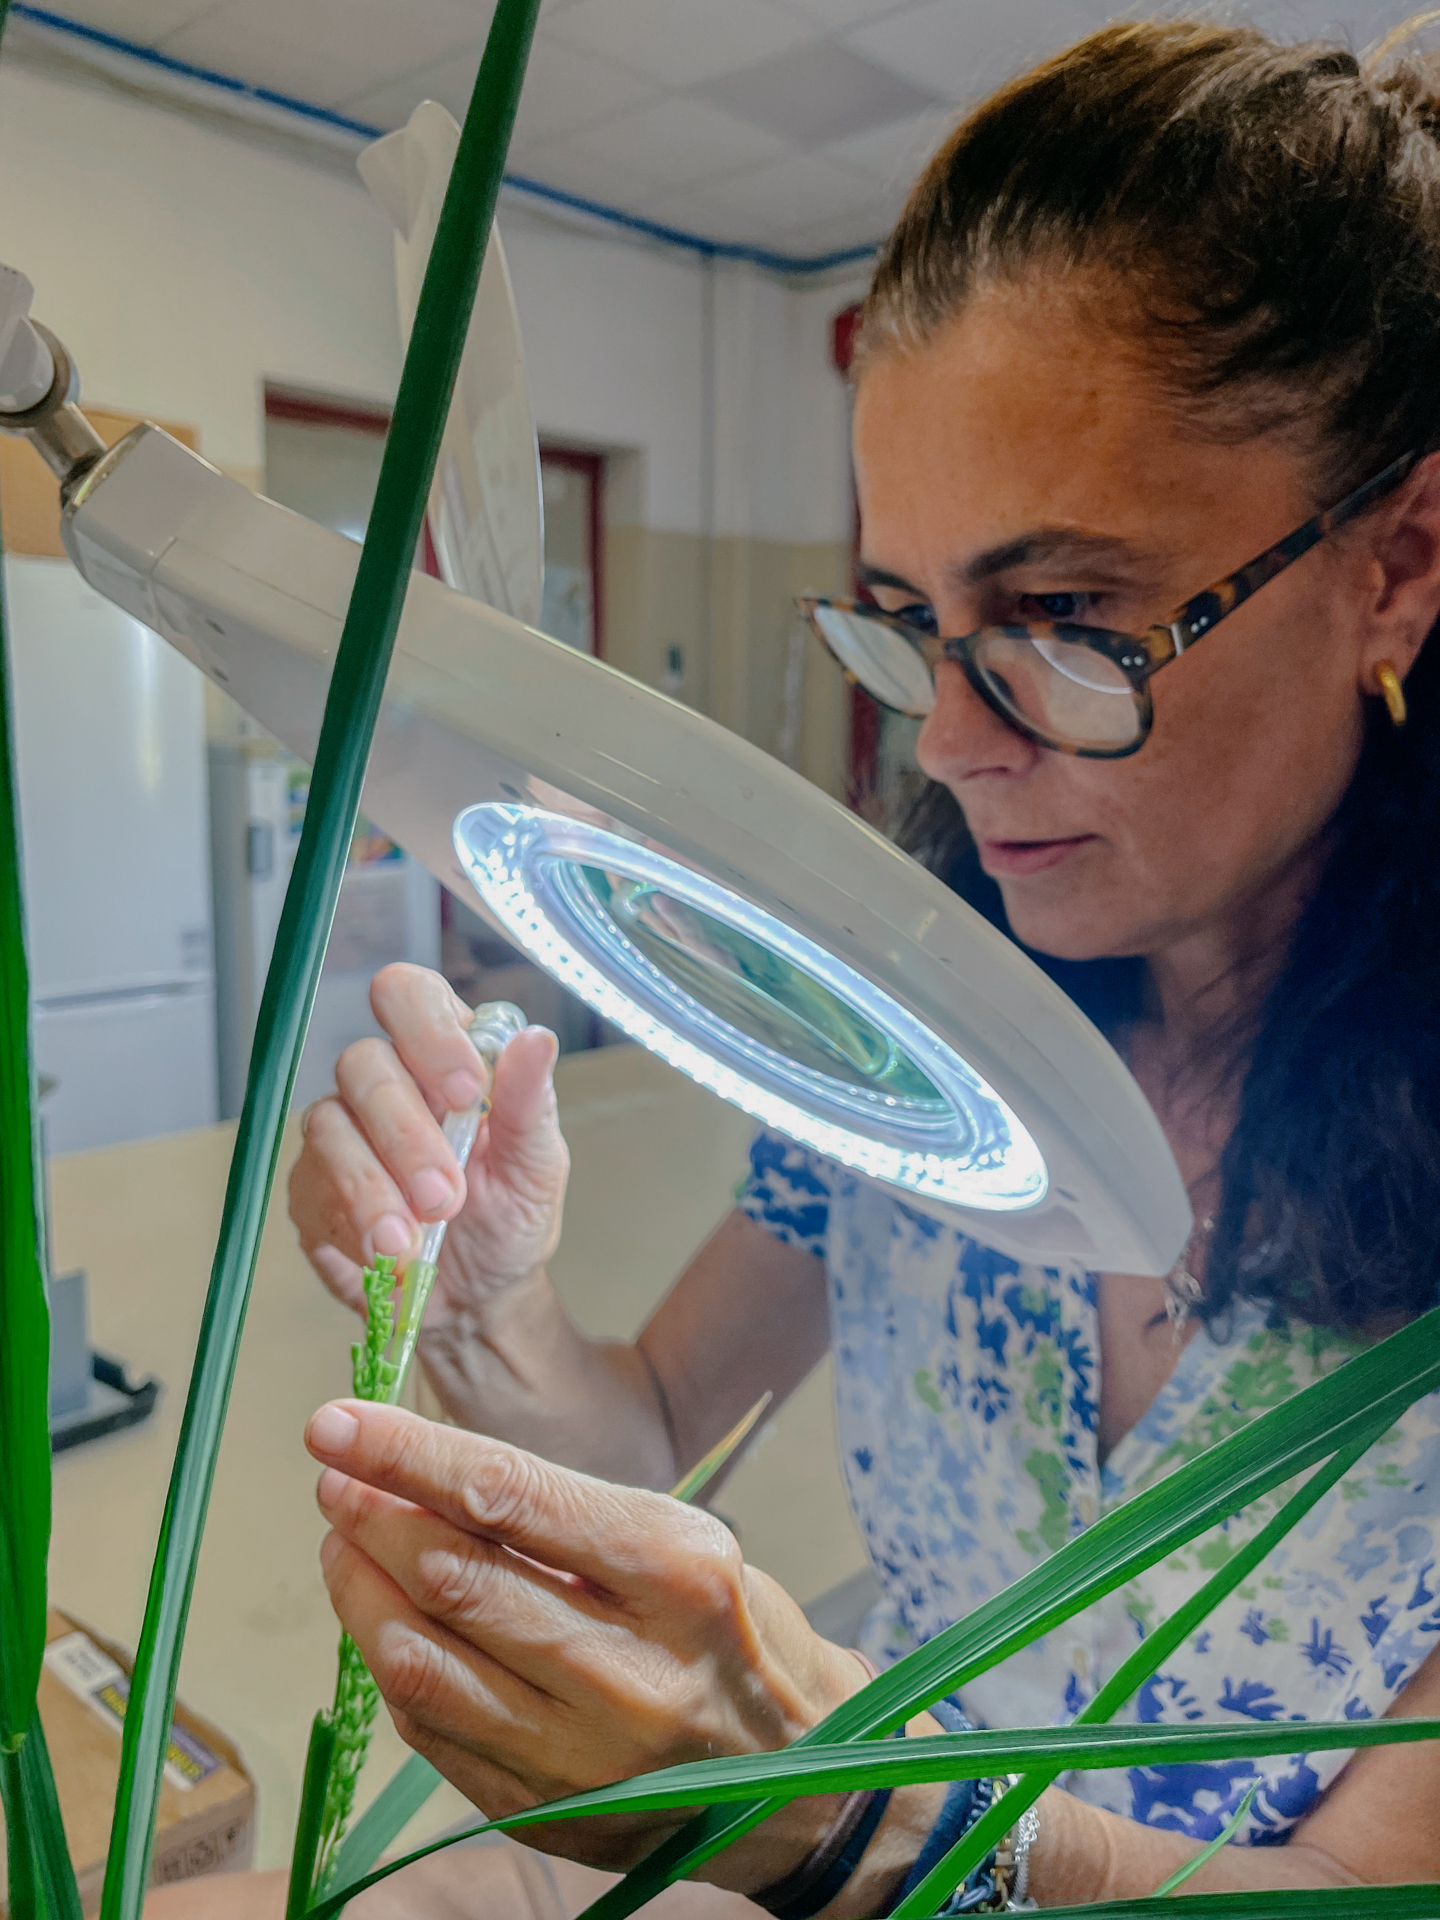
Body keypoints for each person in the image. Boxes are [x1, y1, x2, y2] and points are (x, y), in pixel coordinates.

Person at [158, 16, 1440, 1915]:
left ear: (1398, 563)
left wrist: (853, 1814)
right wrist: (492, 1304)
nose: (946, 739)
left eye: (1067, 618)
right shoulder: (911, 1050)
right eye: (914, 622)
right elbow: (657, 1423)